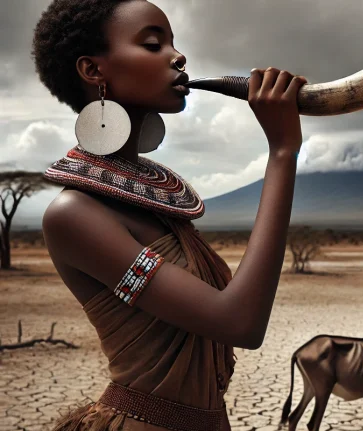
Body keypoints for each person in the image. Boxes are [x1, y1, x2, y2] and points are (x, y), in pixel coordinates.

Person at [32, 0, 308, 429]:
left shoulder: (153, 205)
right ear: (93, 71)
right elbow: (239, 322)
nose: (178, 56)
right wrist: (282, 153)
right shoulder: (74, 215)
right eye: (153, 43)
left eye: (174, 43)